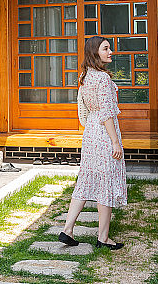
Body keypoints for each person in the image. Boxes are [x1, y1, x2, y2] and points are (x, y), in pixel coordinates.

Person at [58, 35, 127, 250]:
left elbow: (85, 108)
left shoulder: (85, 76)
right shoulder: (103, 79)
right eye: (106, 48)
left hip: (90, 132)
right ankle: (103, 238)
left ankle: (67, 229)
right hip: (104, 133)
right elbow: (107, 113)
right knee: (105, 183)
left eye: (109, 48)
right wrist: (115, 142)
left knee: (86, 179)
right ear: (95, 52)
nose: (110, 52)